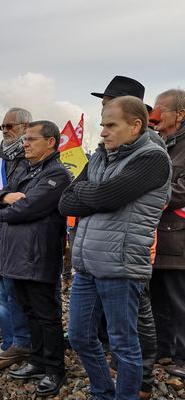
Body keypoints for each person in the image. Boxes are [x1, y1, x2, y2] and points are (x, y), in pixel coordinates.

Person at [59, 96, 171, 400]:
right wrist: (94, 195)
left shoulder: (152, 158)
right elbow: (66, 201)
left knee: (123, 344)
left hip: (120, 267)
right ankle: (103, 392)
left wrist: (91, 195)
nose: (103, 132)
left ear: (135, 125)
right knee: (80, 336)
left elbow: (106, 197)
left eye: (111, 125)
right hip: (87, 264)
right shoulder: (99, 156)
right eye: (102, 125)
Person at [91, 75, 161, 398]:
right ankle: (128, 374)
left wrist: (98, 196)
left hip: (131, 248)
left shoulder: (152, 149)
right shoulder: (105, 149)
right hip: (106, 246)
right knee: (124, 322)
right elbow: (72, 196)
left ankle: (142, 379)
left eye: (107, 104)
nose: (102, 111)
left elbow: (109, 196)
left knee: (137, 318)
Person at [0, 121, 70, 396]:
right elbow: (0, 195)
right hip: (17, 254)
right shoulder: (26, 168)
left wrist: (4, 210)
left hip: (38, 254)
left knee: (46, 314)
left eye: (31, 139)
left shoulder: (57, 174)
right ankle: (38, 360)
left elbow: (27, 208)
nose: (25, 143)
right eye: (25, 139)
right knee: (29, 311)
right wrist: (7, 200)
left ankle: (54, 368)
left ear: (50, 142)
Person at [0, 108, 31, 359]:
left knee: (15, 293)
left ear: (25, 126)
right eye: (2, 127)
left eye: (9, 126)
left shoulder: (31, 155)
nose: (5, 131)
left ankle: (23, 341)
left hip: (17, 233)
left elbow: (24, 196)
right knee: (2, 294)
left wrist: (2, 208)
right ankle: (9, 341)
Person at [150, 89, 185, 380]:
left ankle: (183, 357)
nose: (155, 117)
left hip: (178, 238)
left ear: (180, 115)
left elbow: (180, 191)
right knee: (157, 297)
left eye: (161, 111)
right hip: (156, 236)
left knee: (179, 300)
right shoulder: (159, 143)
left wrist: (145, 196)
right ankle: (163, 349)